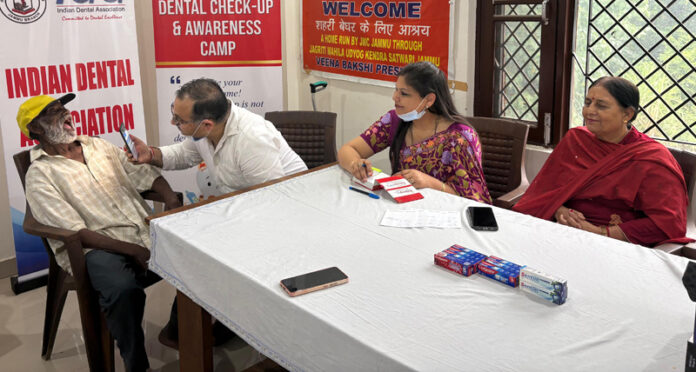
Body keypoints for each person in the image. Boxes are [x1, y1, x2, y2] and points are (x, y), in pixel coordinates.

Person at [19, 93, 181, 372]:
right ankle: (136, 362)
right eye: (53, 113)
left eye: (63, 109)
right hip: (96, 247)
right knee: (123, 290)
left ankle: (178, 329)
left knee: (200, 258)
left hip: (141, 228)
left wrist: (172, 201)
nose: (65, 115)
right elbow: (75, 232)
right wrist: (133, 250)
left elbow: (143, 174)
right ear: (35, 129)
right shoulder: (40, 174)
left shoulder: (98, 146)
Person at [513, 76, 691, 247]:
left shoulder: (651, 158)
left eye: (601, 106)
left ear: (627, 114)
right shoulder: (576, 140)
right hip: (560, 231)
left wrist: (600, 232)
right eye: (588, 103)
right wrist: (560, 210)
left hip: (615, 245)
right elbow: (544, 191)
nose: (590, 111)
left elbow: (667, 223)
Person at [338, 61, 492, 203]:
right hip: (400, 208)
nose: (395, 97)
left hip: (443, 213)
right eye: (396, 90)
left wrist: (430, 183)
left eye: (404, 93)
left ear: (429, 100)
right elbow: (348, 149)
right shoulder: (394, 120)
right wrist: (355, 164)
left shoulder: (459, 137)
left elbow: (474, 200)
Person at [130, 78, 307, 196]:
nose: (172, 122)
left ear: (207, 125)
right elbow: (183, 155)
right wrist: (150, 154)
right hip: (241, 206)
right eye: (173, 114)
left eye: (179, 120)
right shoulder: (206, 132)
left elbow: (271, 199)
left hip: (289, 204)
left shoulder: (251, 139)